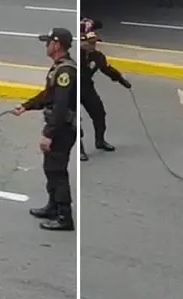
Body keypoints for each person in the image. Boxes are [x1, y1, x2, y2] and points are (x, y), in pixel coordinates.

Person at [13, 27, 77, 232]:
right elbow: (47, 95)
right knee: (50, 168)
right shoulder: (59, 68)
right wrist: (26, 106)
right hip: (60, 127)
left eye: (48, 42)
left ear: (57, 45)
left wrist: (48, 134)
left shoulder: (65, 71)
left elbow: (60, 106)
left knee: (57, 171)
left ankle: (65, 217)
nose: (45, 45)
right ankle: (53, 206)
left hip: (62, 129)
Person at [79, 28, 131, 161]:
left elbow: (107, 69)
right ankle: (80, 150)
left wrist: (122, 81)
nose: (93, 46)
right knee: (74, 120)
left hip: (87, 88)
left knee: (99, 113)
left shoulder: (97, 56)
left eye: (95, 43)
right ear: (81, 43)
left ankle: (100, 141)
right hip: (73, 88)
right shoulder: (75, 56)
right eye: (90, 43)